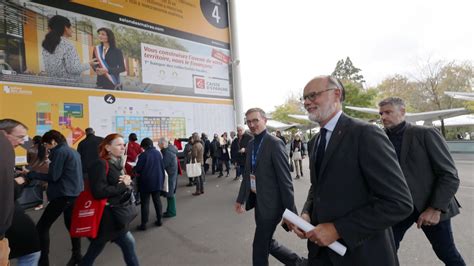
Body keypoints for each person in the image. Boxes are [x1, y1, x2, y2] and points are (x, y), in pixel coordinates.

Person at [288, 76, 413, 266]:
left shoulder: (366, 134)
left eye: (313, 96)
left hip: (362, 254)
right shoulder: (315, 142)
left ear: (336, 94)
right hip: (321, 254)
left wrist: (338, 229)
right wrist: (307, 213)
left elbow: (399, 202)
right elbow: (317, 187)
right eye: (304, 98)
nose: (306, 102)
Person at [378, 97, 465, 265]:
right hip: (398, 207)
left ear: (402, 112)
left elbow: (449, 175)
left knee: (446, 252)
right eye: (381, 113)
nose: (383, 117)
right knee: (384, 252)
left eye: (388, 112)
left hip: (430, 204)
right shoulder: (379, 138)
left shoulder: (425, 133)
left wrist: (435, 208)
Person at [235, 108, 304, 266]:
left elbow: (285, 181)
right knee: (267, 242)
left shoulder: (275, 143)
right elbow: (247, 174)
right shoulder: (251, 144)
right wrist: (241, 199)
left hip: (272, 206)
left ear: (265, 121)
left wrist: (291, 214)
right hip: (259, 202)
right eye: (249, 121)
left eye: (255, 120)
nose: (252, 124)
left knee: (259, 246)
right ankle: (298, 263)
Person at [26, 130, 84, 266]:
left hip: (62, 195)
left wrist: (32, 174)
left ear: (53, 141)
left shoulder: (59, 152)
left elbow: (53, 176)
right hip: (74, 194)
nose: (46, 148)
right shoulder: (72, 151)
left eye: (46, 144)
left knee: (42, 227)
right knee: (72, 226)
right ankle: (77, 256)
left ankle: (43, 262)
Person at [81, 133, 139, 266]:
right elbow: (99, 192)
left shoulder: (118, 164)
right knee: (126, 245)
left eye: (123, 145)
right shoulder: (100, 164)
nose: (123, 147)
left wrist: (128, 182)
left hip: (114, 217)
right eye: (119, 145)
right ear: (107, 147)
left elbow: (124, 185)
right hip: (107, 218)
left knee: (97, 248)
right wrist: (123, 185)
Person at [0, 119, 28, 266]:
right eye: (19, 137)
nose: (22, 142)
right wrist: (17, 183)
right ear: (4, 133)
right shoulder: (4, 148)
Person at [42, 15, 95, 79]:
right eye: (70, 27)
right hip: (69, 85)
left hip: (53, 83)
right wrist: (89, 64)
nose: (72, 30)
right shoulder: (68, 45)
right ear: (66, 28)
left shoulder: (46, 45)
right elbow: (73, 69)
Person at [134, 138, 165, 230]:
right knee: (157, 201)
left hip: (146, 182)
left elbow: (138, 169)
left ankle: (144, 224)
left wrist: (134, 168)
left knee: (145, 203)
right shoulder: (158, 153)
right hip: (157, 180)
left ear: (145, 146)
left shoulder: (143, 155)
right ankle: (159, 220)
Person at [26, 135, 49, 210]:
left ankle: (39, 203)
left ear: (34, 141)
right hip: (45, 170)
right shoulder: (46, 148)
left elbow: (28, 161)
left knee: (37, 187)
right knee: (46, 186)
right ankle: (48, 201)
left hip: (34, 170)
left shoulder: (30, 149)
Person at [158, 137, 179, 218]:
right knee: (170, 194)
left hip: (170, 176)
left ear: (163, 144)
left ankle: (172, 212)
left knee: (170, 194)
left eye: (159, 144)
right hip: (172, 174)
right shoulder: (170, 150)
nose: (159, 146)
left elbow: (163, 165)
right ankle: (170, 210)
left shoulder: (167, 153)